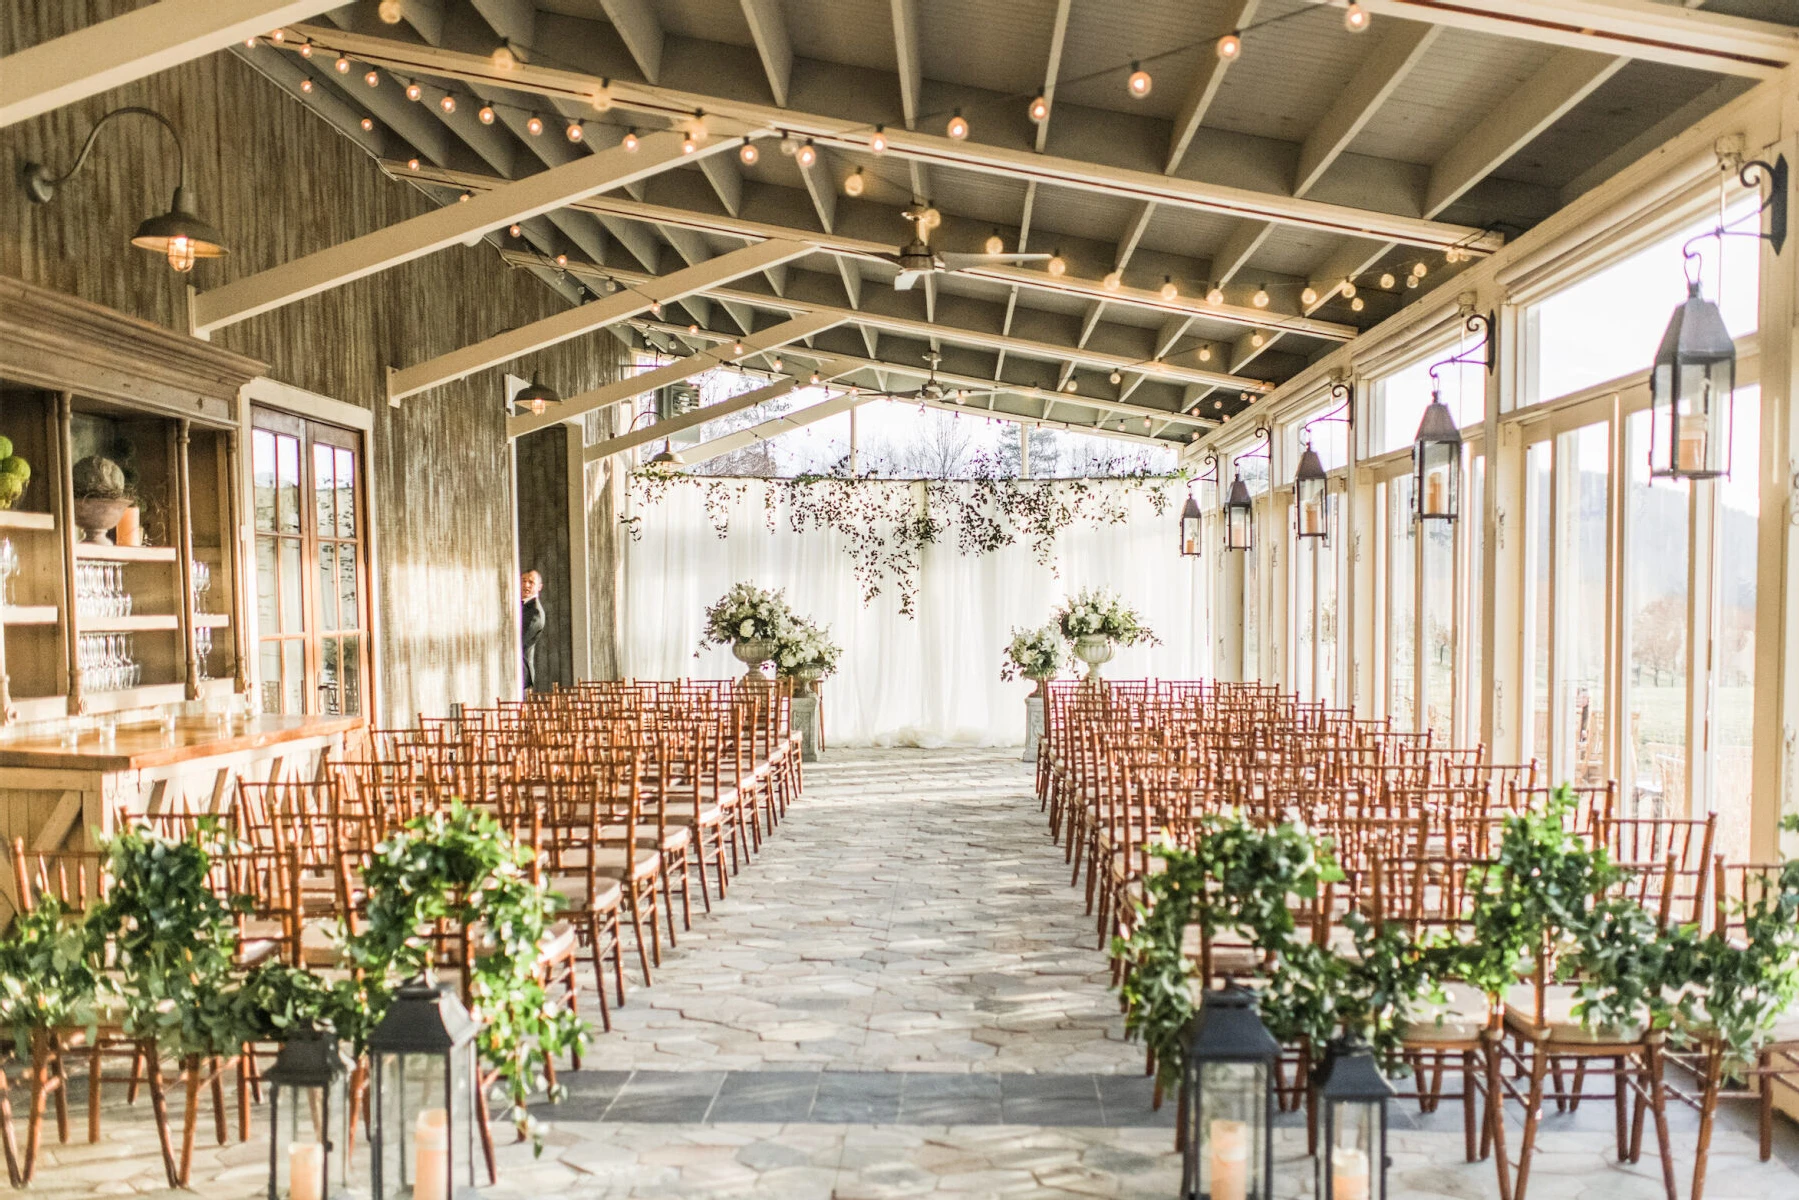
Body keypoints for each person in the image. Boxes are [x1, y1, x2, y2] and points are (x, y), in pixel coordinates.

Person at [520, 569, 545, 691]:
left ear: (539, 587)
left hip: (521, 673)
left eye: (531, 582)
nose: (526, 585)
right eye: (523, 581)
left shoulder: (535, 612)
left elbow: (519, 641)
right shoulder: (519, 604)